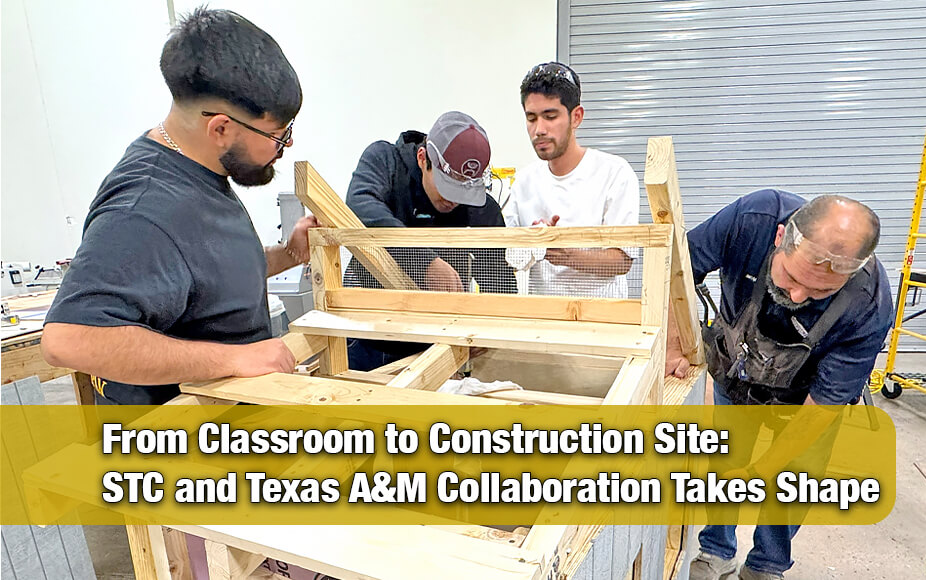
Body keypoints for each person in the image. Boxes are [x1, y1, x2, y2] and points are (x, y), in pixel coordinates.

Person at [40, 8, 315, 405]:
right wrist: (235, 359)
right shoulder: (143, 207)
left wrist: (290, 254)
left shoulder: (199, 168)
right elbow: (70, 339)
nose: (285, 147)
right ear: (220, 128)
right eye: (277, 134)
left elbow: (201, 274)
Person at [672, 190, 893, 580]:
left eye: (820, 291)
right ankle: (717, 550)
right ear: (779, 237)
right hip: (738, 367)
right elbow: (677, 270)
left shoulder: (868, 305)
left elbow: (821, 409)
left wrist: (762, 470)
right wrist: (675, 339)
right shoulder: (750, 219)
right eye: (790, 276)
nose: (797, 295)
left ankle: (766, 565)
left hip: (805, 395)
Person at [344, 111, 515, 370]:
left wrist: (492, 326)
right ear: (423, 159)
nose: (453, 200)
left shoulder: (481, 209)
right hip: (370, 338)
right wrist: (424, 261)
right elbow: (360, 206)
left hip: (438, 345)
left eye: (463, 192)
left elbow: (498, 280)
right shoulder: (387, 163)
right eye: (447, 187)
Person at [503, 62, 639, 298]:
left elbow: (622, 261)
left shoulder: (614, 173)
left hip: (603, 323)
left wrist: (567, 253)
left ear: (576, 117)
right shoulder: (523, 183)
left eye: (550, 116)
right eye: (531, 118)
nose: (539, 130)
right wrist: (532, 244)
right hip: (543, 325)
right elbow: (509, 255)